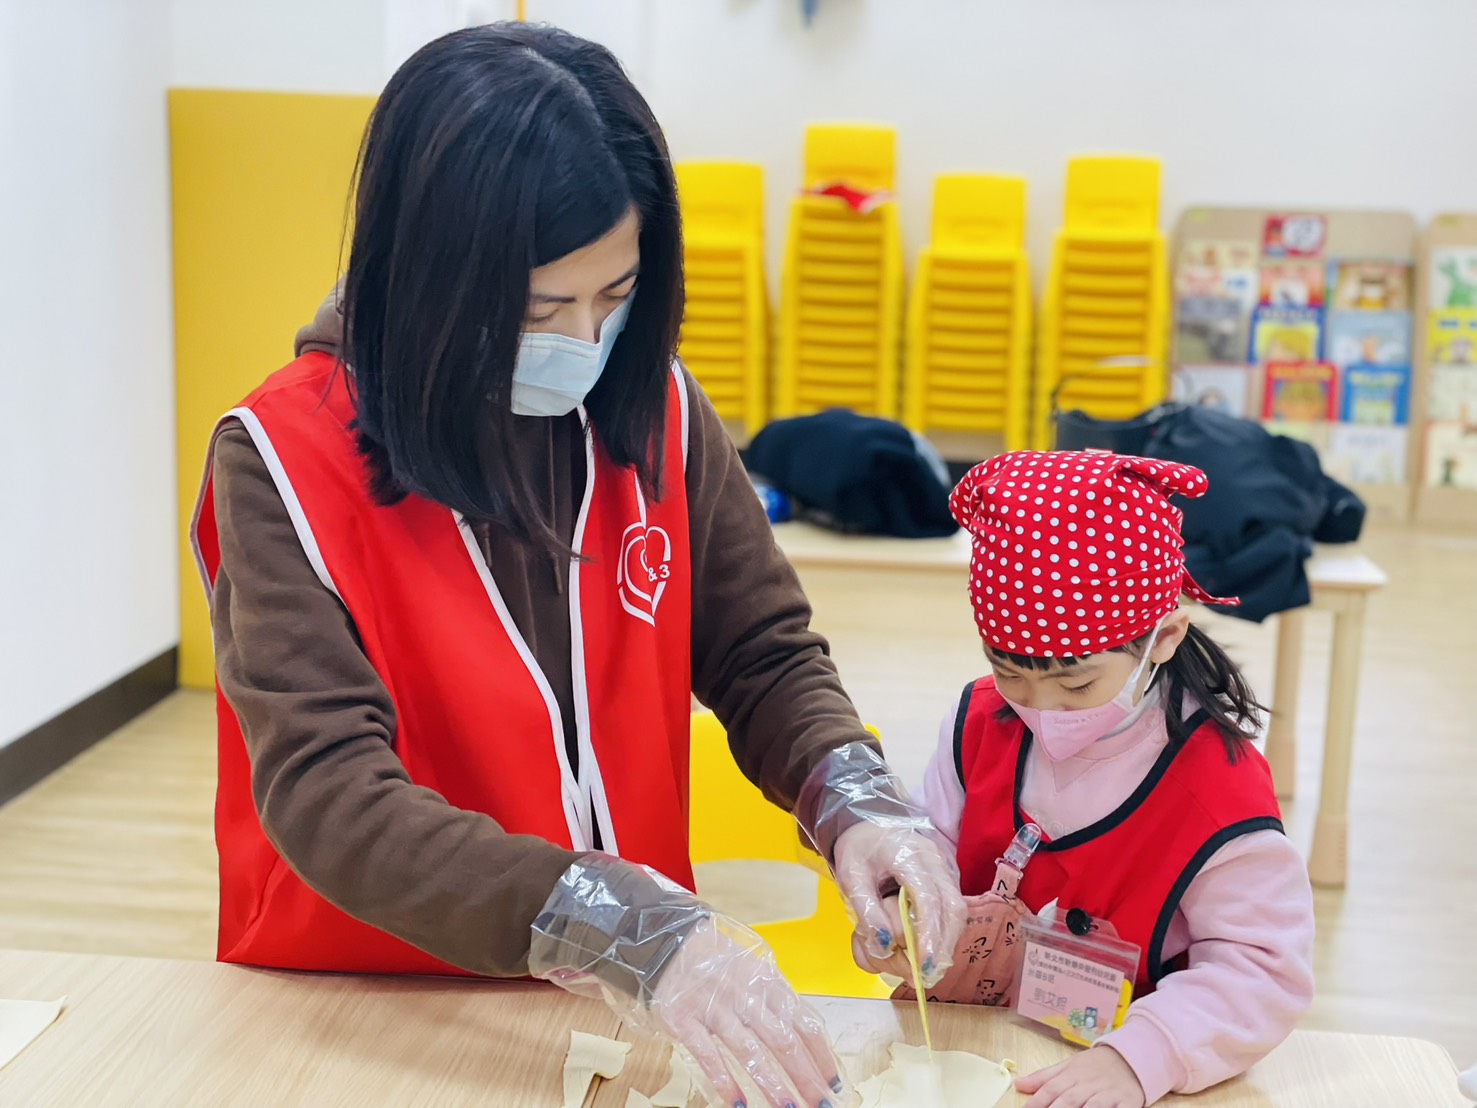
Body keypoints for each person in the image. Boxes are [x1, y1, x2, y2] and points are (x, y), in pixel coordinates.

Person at [190, 23, 963, 1108]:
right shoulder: (283, 456)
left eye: (617, 293)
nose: (585, 341)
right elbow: (327, 794)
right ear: (431, 279)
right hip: (377, 1004)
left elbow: (759, 649)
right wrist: (608, 916)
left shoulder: (650, 406)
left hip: (634, 1003)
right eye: (542, 309)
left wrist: (853, 795)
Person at [915, 451, 1314, 1108]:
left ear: (1165, 637)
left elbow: (1262, 970)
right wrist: (906, 908)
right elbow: (928, 840)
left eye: (1075, 684)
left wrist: (1143, 1056)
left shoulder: (1215, 790)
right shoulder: (979, 722)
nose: (1041, 708)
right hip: (968, 1048)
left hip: (1129, 1074)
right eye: (1011, 673)